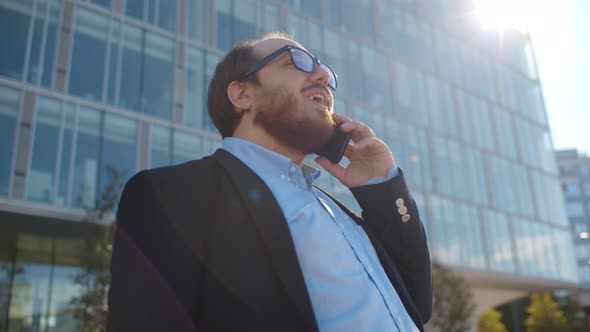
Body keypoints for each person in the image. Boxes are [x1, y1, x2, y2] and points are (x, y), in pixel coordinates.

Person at [107, 32, 432, 332]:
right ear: (243, 93)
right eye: (295, 62)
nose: (322, 77)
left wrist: (381, 188)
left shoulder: (337, 211)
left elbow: (416, 304)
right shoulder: (173, 194)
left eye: (326, 73)